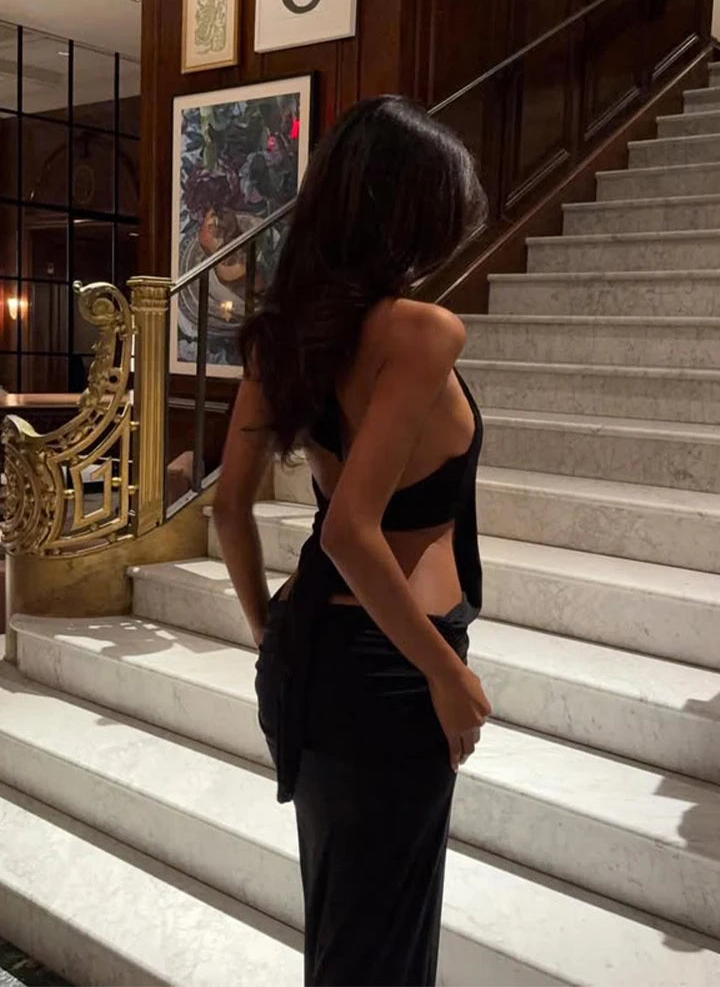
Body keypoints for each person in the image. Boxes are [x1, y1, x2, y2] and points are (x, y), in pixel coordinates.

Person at [214, 95, 492, 987]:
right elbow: (348, 530)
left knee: (346, 930)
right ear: (413, 210)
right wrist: (446, 676)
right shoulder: (421, 331)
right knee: (382, 946)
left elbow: (227, 510)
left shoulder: (285, 337)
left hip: (313, 659)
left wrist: (270, 633)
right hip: (394, 673)